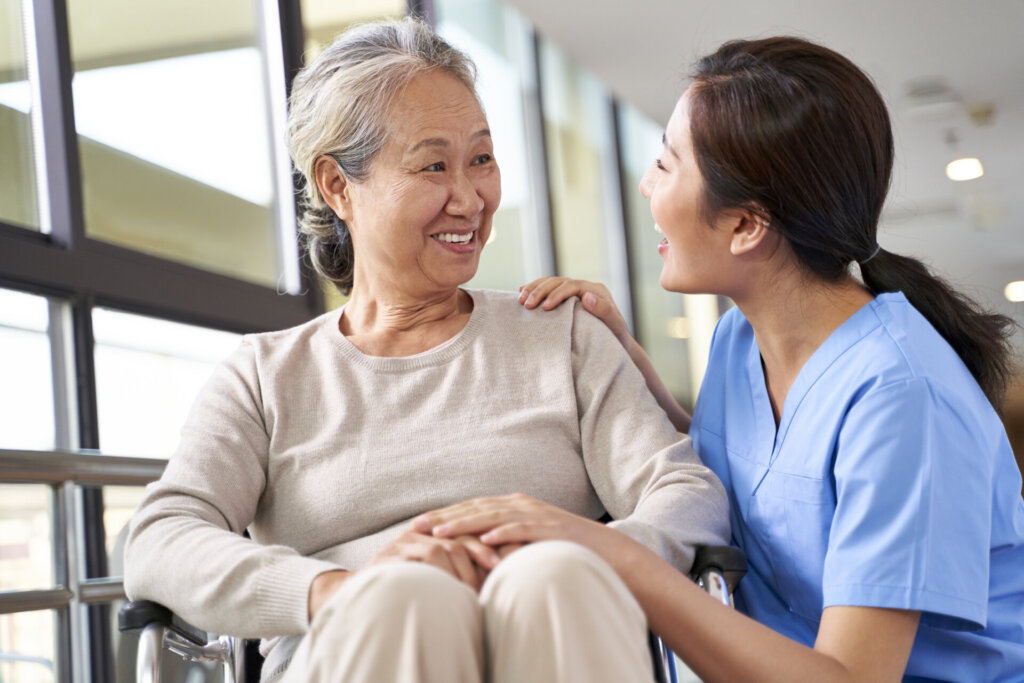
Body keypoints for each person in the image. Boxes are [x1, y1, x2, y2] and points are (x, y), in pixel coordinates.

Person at [122, 17, 730, 683]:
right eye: (434, 165)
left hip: (557, 630)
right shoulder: (266, 375)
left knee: (553, 573)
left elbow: (686, 491)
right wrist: (332, 588)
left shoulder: (562, 334)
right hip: (362, 638)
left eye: (482, 159)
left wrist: (588, 546)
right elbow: (162, 536)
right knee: (407, 597)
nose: (469, 198)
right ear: (337, 185)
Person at [414, 36, 1024, 681]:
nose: (647, 185)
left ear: (745, 226)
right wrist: (620, 356)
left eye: (666, 165)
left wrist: (612, 552)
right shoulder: (740, 338)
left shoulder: (902, 396)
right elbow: (751, 461)